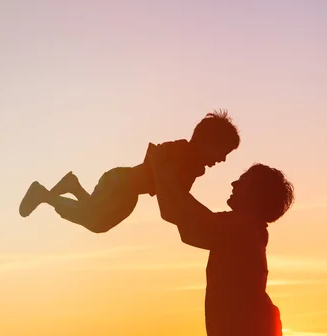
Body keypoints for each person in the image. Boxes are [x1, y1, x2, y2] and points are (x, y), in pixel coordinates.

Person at [147, 143, 294, 336]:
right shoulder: (247, 230)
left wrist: (161, 169)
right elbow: (178, 218)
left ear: (256, 195)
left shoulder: (240, 229)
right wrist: (161, 173)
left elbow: (182, 215)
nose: (234, 184)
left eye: (243, 181)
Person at [18, 110, 240, 233]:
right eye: (222, 152)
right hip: (120, 183)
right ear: (206, 142)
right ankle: (44, 195)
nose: (222, 159)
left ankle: (72, 185)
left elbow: (178, 198)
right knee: (95, 220)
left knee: (96, 218)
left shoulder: (192, 166)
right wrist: (206, 217)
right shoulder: (183, 153)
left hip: (128, 191)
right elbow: (173, 191)